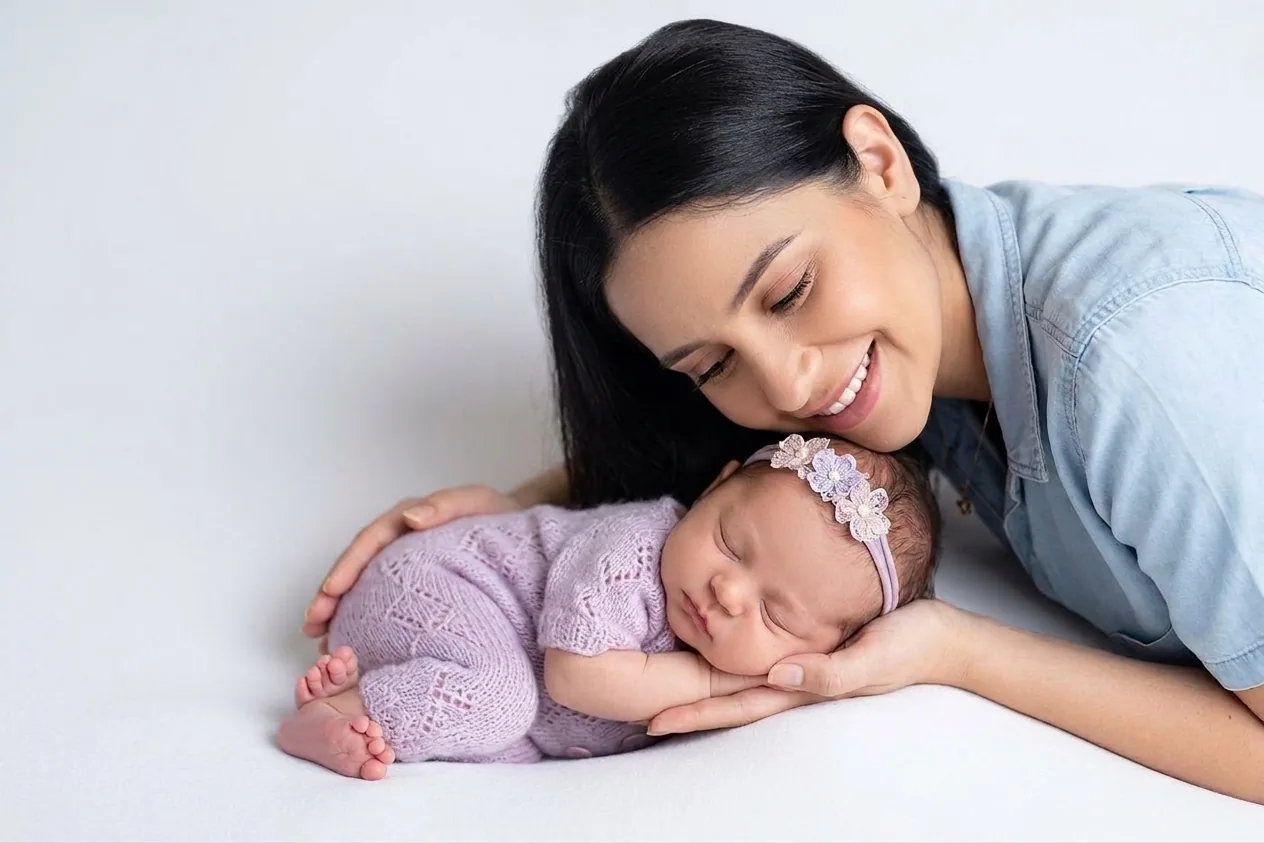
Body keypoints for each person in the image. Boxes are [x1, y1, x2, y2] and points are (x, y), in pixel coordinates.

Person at [303, 19, 1264, 802]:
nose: (791, 391)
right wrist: (517, 508)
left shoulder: (1134, 365)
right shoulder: (921, 319)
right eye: (713, 362)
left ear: (879, 162)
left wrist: (958, 651)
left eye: (790, 289)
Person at [279, 437, 940, 778]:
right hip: (435, 583)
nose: (728, 592)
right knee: (502, 702)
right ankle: (338, 712)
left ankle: (379, 682)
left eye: (777, 615)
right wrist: (717, 679)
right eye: (728, 542)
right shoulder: (633, 548)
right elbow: (574, 675)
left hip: (456, 645)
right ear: (714, 486)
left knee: (508, 734)